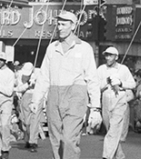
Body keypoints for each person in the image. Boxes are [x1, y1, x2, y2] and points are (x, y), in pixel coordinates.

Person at [33, 10, 101, 159]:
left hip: (76, 95)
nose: (60, 27)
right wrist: (36, 99)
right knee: (55, 139)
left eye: (64, 24)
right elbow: (44, 75)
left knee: (69, 138)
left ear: (73, 26)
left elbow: (92, 78)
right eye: (58, 24)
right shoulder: (52, 48)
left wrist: (96, 107)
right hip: (54, 95)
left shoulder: (84, 48)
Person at [96, 47, 134, 159]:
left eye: (111, 55)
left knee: (113, 129)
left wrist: (121, 83)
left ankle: (106, 156)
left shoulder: (124, 69)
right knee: (111, 130)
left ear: (116, 57)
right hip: (106, 100)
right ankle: (120, 156)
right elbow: (95, 86)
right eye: (106, 55)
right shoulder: (101, 69)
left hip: (119, 100)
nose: (108, 57)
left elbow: (132, 84)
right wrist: (106, 81)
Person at [16, 62, 41, 153]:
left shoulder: (38, 72)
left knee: (35, 119)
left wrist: (36, 81)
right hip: (25, 96)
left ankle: (33, 142)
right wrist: (27, 84)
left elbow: (44, 85)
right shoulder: (19, 74)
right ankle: (27, 138)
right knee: (26, 121)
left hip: (36, 96)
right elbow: (19, 88)